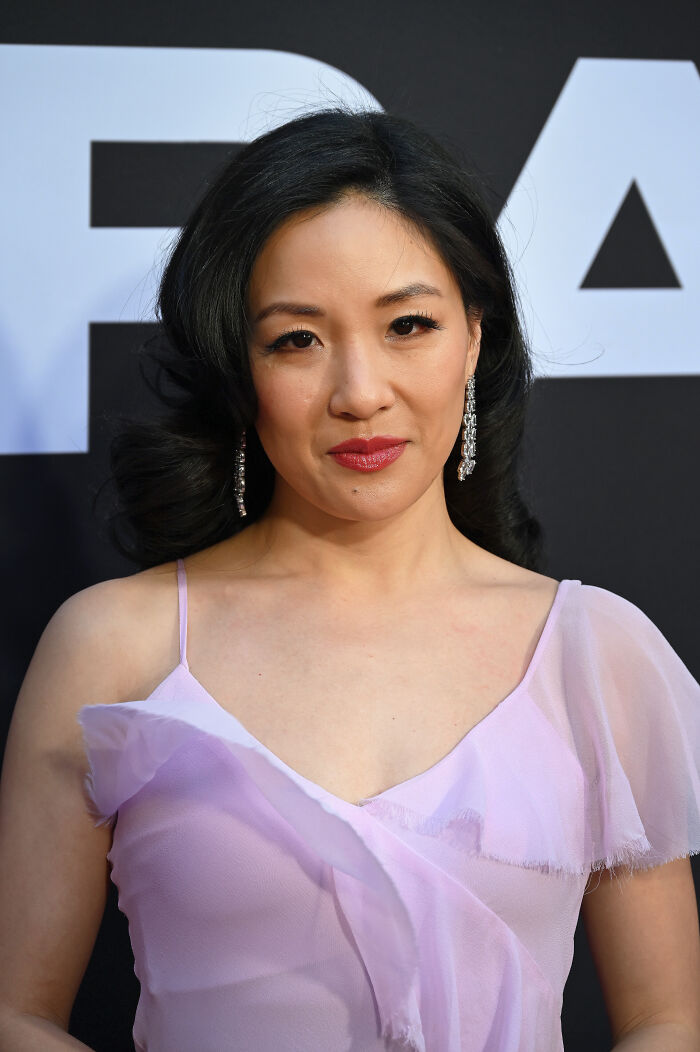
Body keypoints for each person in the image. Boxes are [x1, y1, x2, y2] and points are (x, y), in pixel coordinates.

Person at [0, 107, 699, 1052]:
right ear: (239, 369)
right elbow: (17, 1013)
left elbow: (665, 1021)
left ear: (474, 339)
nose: (360, 391)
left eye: (409, 324)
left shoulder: (594, 653)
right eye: (298, 340)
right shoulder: (113, 647)